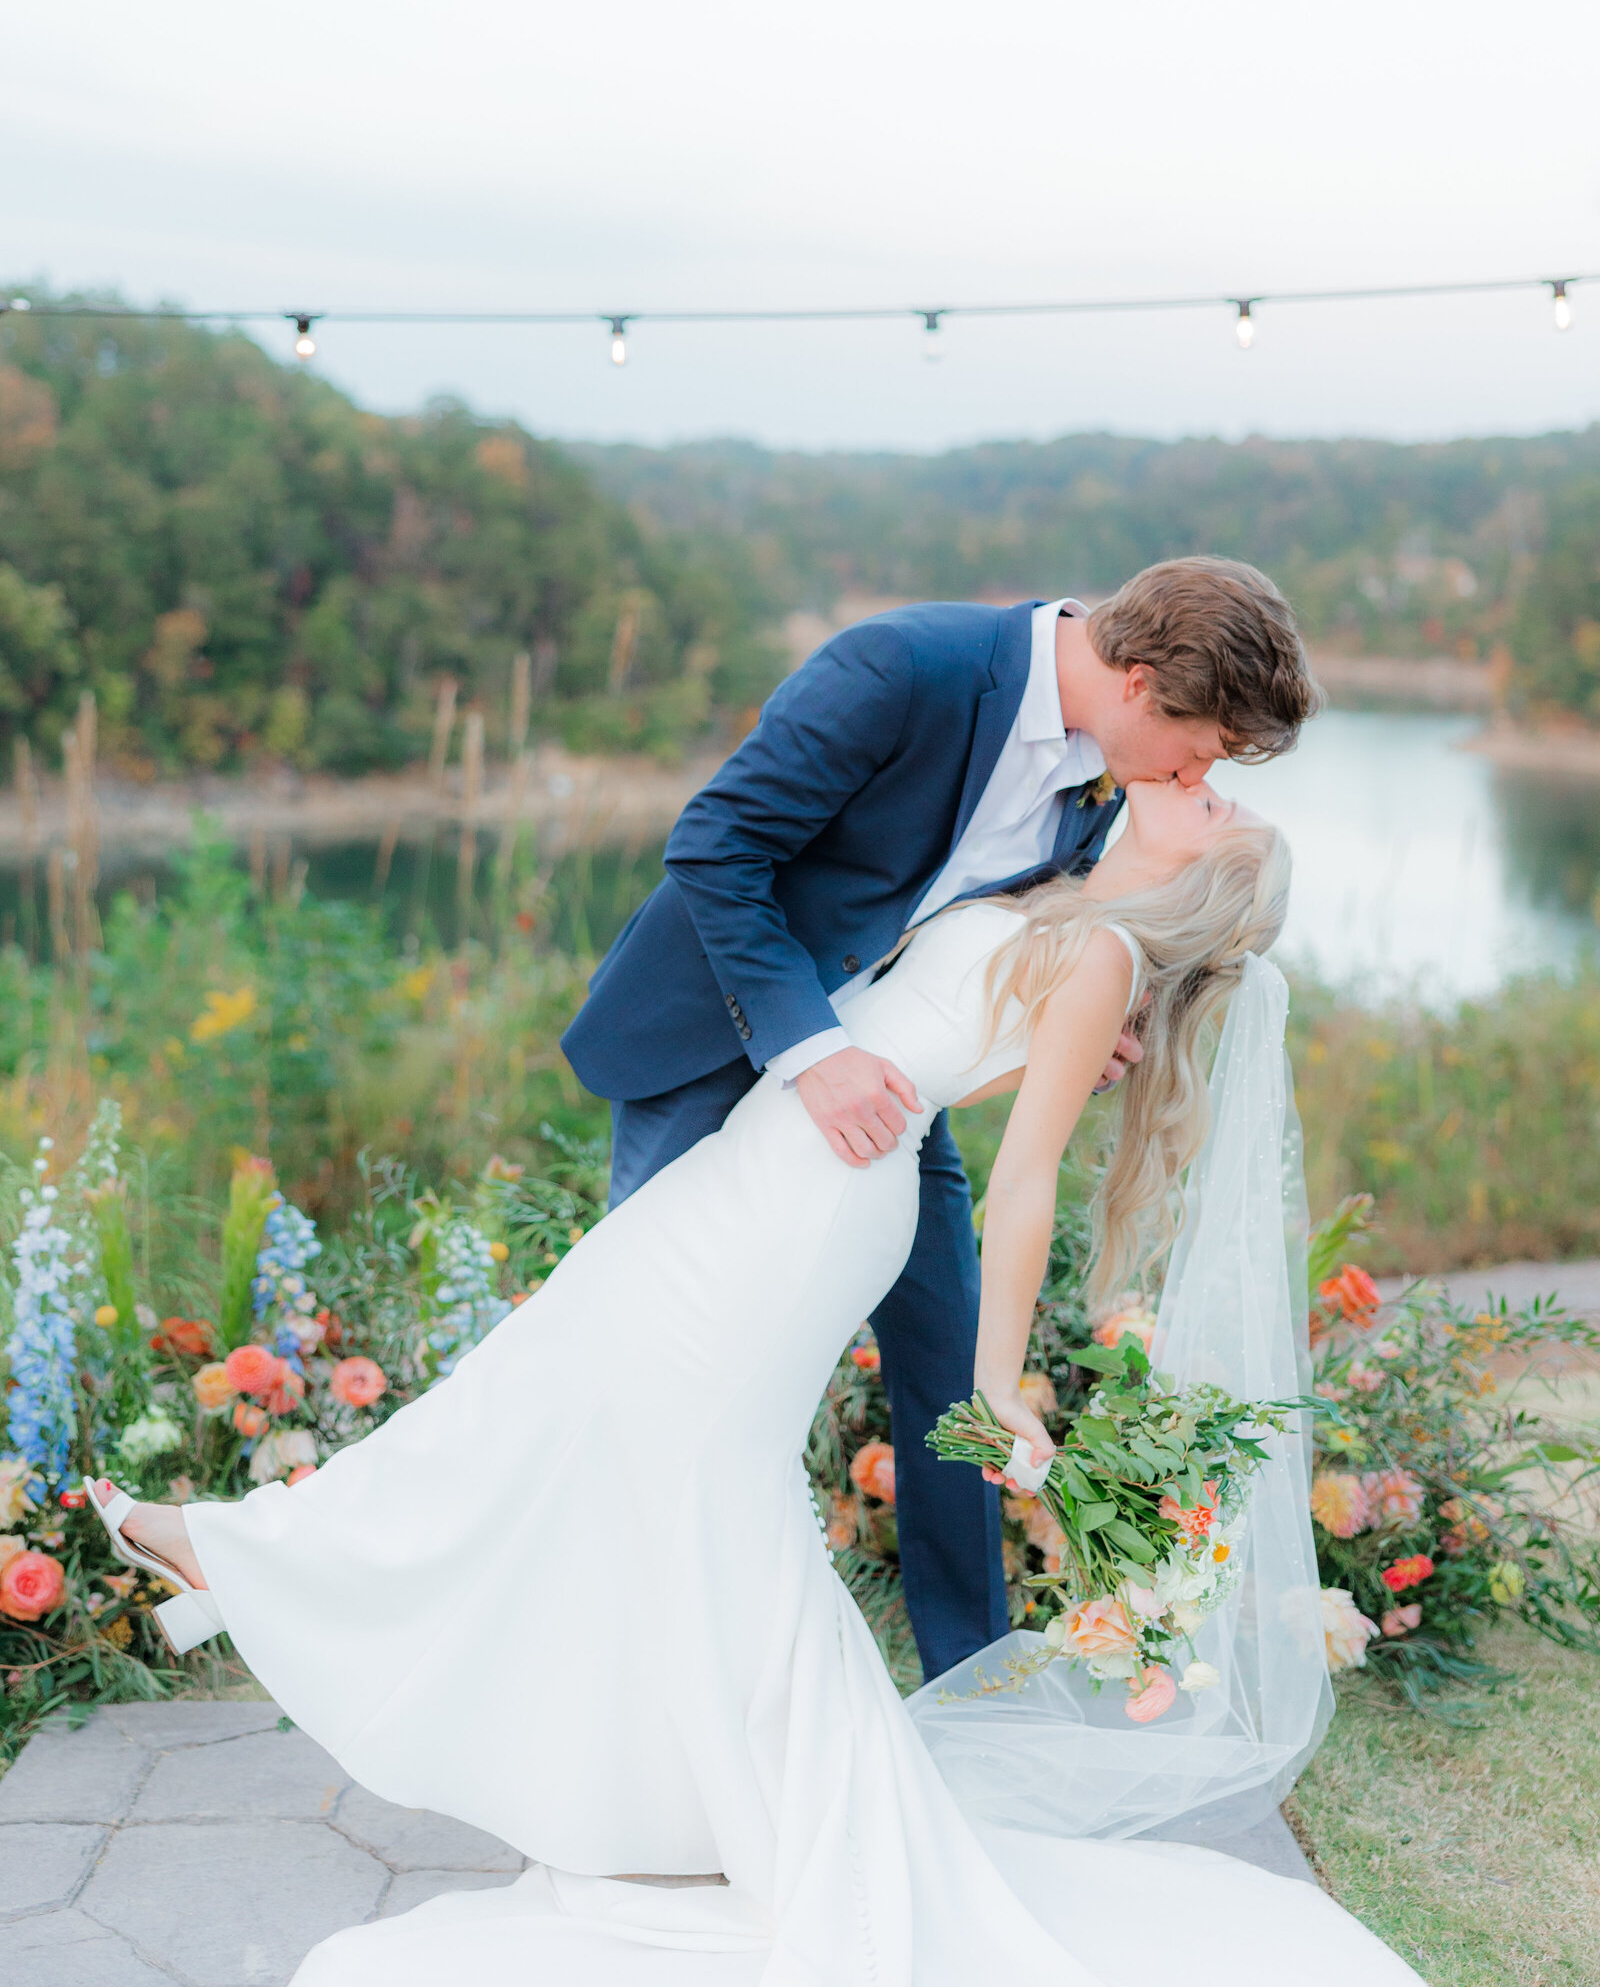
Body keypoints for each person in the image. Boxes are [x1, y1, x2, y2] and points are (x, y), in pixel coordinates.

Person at [89, 774, 1423, 1985]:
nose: (1194, 784)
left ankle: (252, 1558)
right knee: (551, 1392)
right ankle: (659, 1778)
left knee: (692, 1472)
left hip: (814, 1205)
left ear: (1213, 872)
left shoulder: (1106, 956)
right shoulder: (1066, 901)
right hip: (769, 1162)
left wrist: (999, 1375)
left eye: (1215, 805)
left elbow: (1020, 1187)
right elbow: (927, 1009)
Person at [561, 556, 1319, 1676]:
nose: (1195, 769)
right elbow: (717, 848)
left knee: (955, 1356)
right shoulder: (903, 667)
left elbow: (980, 956)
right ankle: (607, 1617)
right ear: (1138, 680)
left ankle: (974, 1670)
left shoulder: (1103, 772)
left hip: (888, 1115)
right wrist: (811, 1052)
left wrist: (1043, 1049)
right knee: (644, 1343)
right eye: (1199, 749)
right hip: (724, 1046)